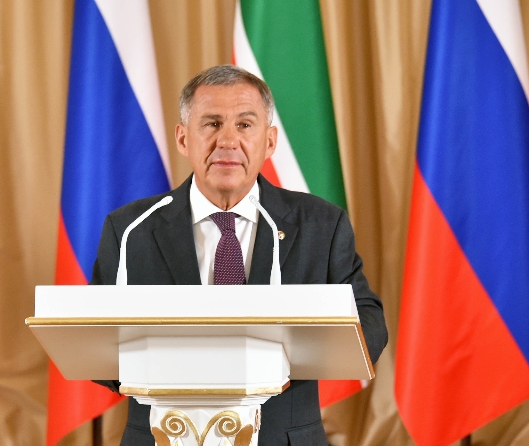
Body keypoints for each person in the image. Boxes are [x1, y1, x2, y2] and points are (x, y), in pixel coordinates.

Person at [92, 65, 387, 445]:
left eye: (245, 125)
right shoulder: (131, 228)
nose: (228, 141)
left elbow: (369, 326)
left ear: (270, 141)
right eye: (212, 124)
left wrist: (288, 356)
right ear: (183, 138)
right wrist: (168, 367)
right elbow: (93, 336)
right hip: (163, 434)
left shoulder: (321, 224)